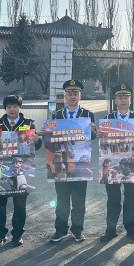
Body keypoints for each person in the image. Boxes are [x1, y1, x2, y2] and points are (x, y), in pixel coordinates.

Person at [0, 94, 41, 247]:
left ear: (20, 108)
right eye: (9, 107)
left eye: (15, 106)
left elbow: (36, 147)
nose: (12, 109)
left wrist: (37, 140)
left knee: (20, 205)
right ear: (5, 109)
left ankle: (17, 234)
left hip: (21, 169)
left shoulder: (28, 124)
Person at [49, 79, 96, 243]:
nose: (72, 96)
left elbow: (92, 137)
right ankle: (60, 230)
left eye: (75, 93)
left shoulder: (88, 115)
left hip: (80, 163)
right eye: (69, 93)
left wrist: (93, 131)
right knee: (62, 199)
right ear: (65, 96)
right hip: (61, 163)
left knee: (79, 200)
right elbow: (51, 139)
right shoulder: (57, 115)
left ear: (80, 95)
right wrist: (46, 133)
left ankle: (77, 230)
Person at [100, 83, 134, 243]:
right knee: (113, 198)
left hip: (131, 164)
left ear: (130, 100)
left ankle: (131, 228)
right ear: (115, 100)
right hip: (113, 163)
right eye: (120, 97)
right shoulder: (107, 120)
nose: (123, 100)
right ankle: (111, 229)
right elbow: (103, 143)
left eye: (126, 97)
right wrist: (99, 135)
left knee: (131, 197)